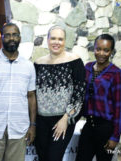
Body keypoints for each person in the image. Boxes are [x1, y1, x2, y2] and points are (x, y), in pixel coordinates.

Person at [0, 22, 36, 161]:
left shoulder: (28, 66)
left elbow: (31, 97)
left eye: (15, 35)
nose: (11, 38)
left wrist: (32, 125)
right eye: (8, 35)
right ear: (1, 38)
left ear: (20, 38)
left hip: (19, 127)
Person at [34, 25, 86, 161]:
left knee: (53, 157)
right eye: (53, 38)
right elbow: (32, 93)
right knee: (43, 157)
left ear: (65, 41)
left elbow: (79, 94)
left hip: (63, 120)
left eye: (60, 39)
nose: (56, 42)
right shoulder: (38, 63)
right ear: (48, 40)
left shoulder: (74, 61)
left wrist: (66, 119)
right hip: (40, 122)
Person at [76, 34, 121, 161]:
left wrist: (115, 137)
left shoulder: (116, 73)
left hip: (106, 129)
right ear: (94, 49)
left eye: (106, 50)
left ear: (111, 52)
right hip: (89, 126)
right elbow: (82, 97)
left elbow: (120, 108)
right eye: (98, 49)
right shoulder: (87, 67)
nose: (101, 53)